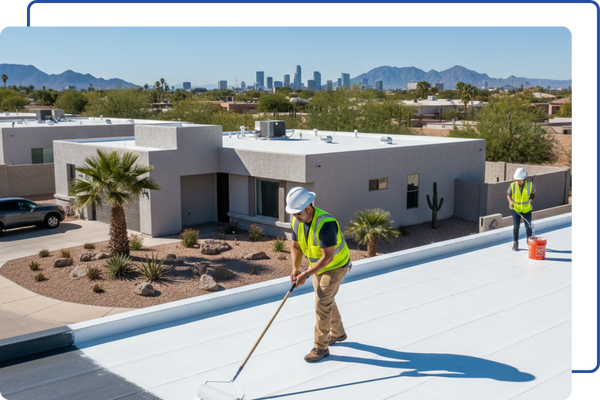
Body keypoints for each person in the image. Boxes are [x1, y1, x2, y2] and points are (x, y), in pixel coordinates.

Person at [286, 186, 351, 363]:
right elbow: (296, 247)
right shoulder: (297, 222)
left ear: (309, 207)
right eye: (293, 214)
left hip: (335, 266)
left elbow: (328, 257)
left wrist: (305, 275)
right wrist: (294, 269)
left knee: (322, 301)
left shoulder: (325, 224)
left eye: (298, 213)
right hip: (318, 267)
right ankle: (338, 333)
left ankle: (320, 347)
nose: (295, 217)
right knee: (325, 299)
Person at [507, 168, 536, 251]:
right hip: (516, 209)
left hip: (527, 209)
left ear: (524, 178)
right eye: (517, 179)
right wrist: (510, 202)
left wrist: (531, 200)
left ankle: (529, 241)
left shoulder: (530, 185)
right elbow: (508, 195)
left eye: (520, 179)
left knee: (528, 226)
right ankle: (515, 243)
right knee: (516, 226)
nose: (518, 181)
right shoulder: (513, 185)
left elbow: (533, 194)